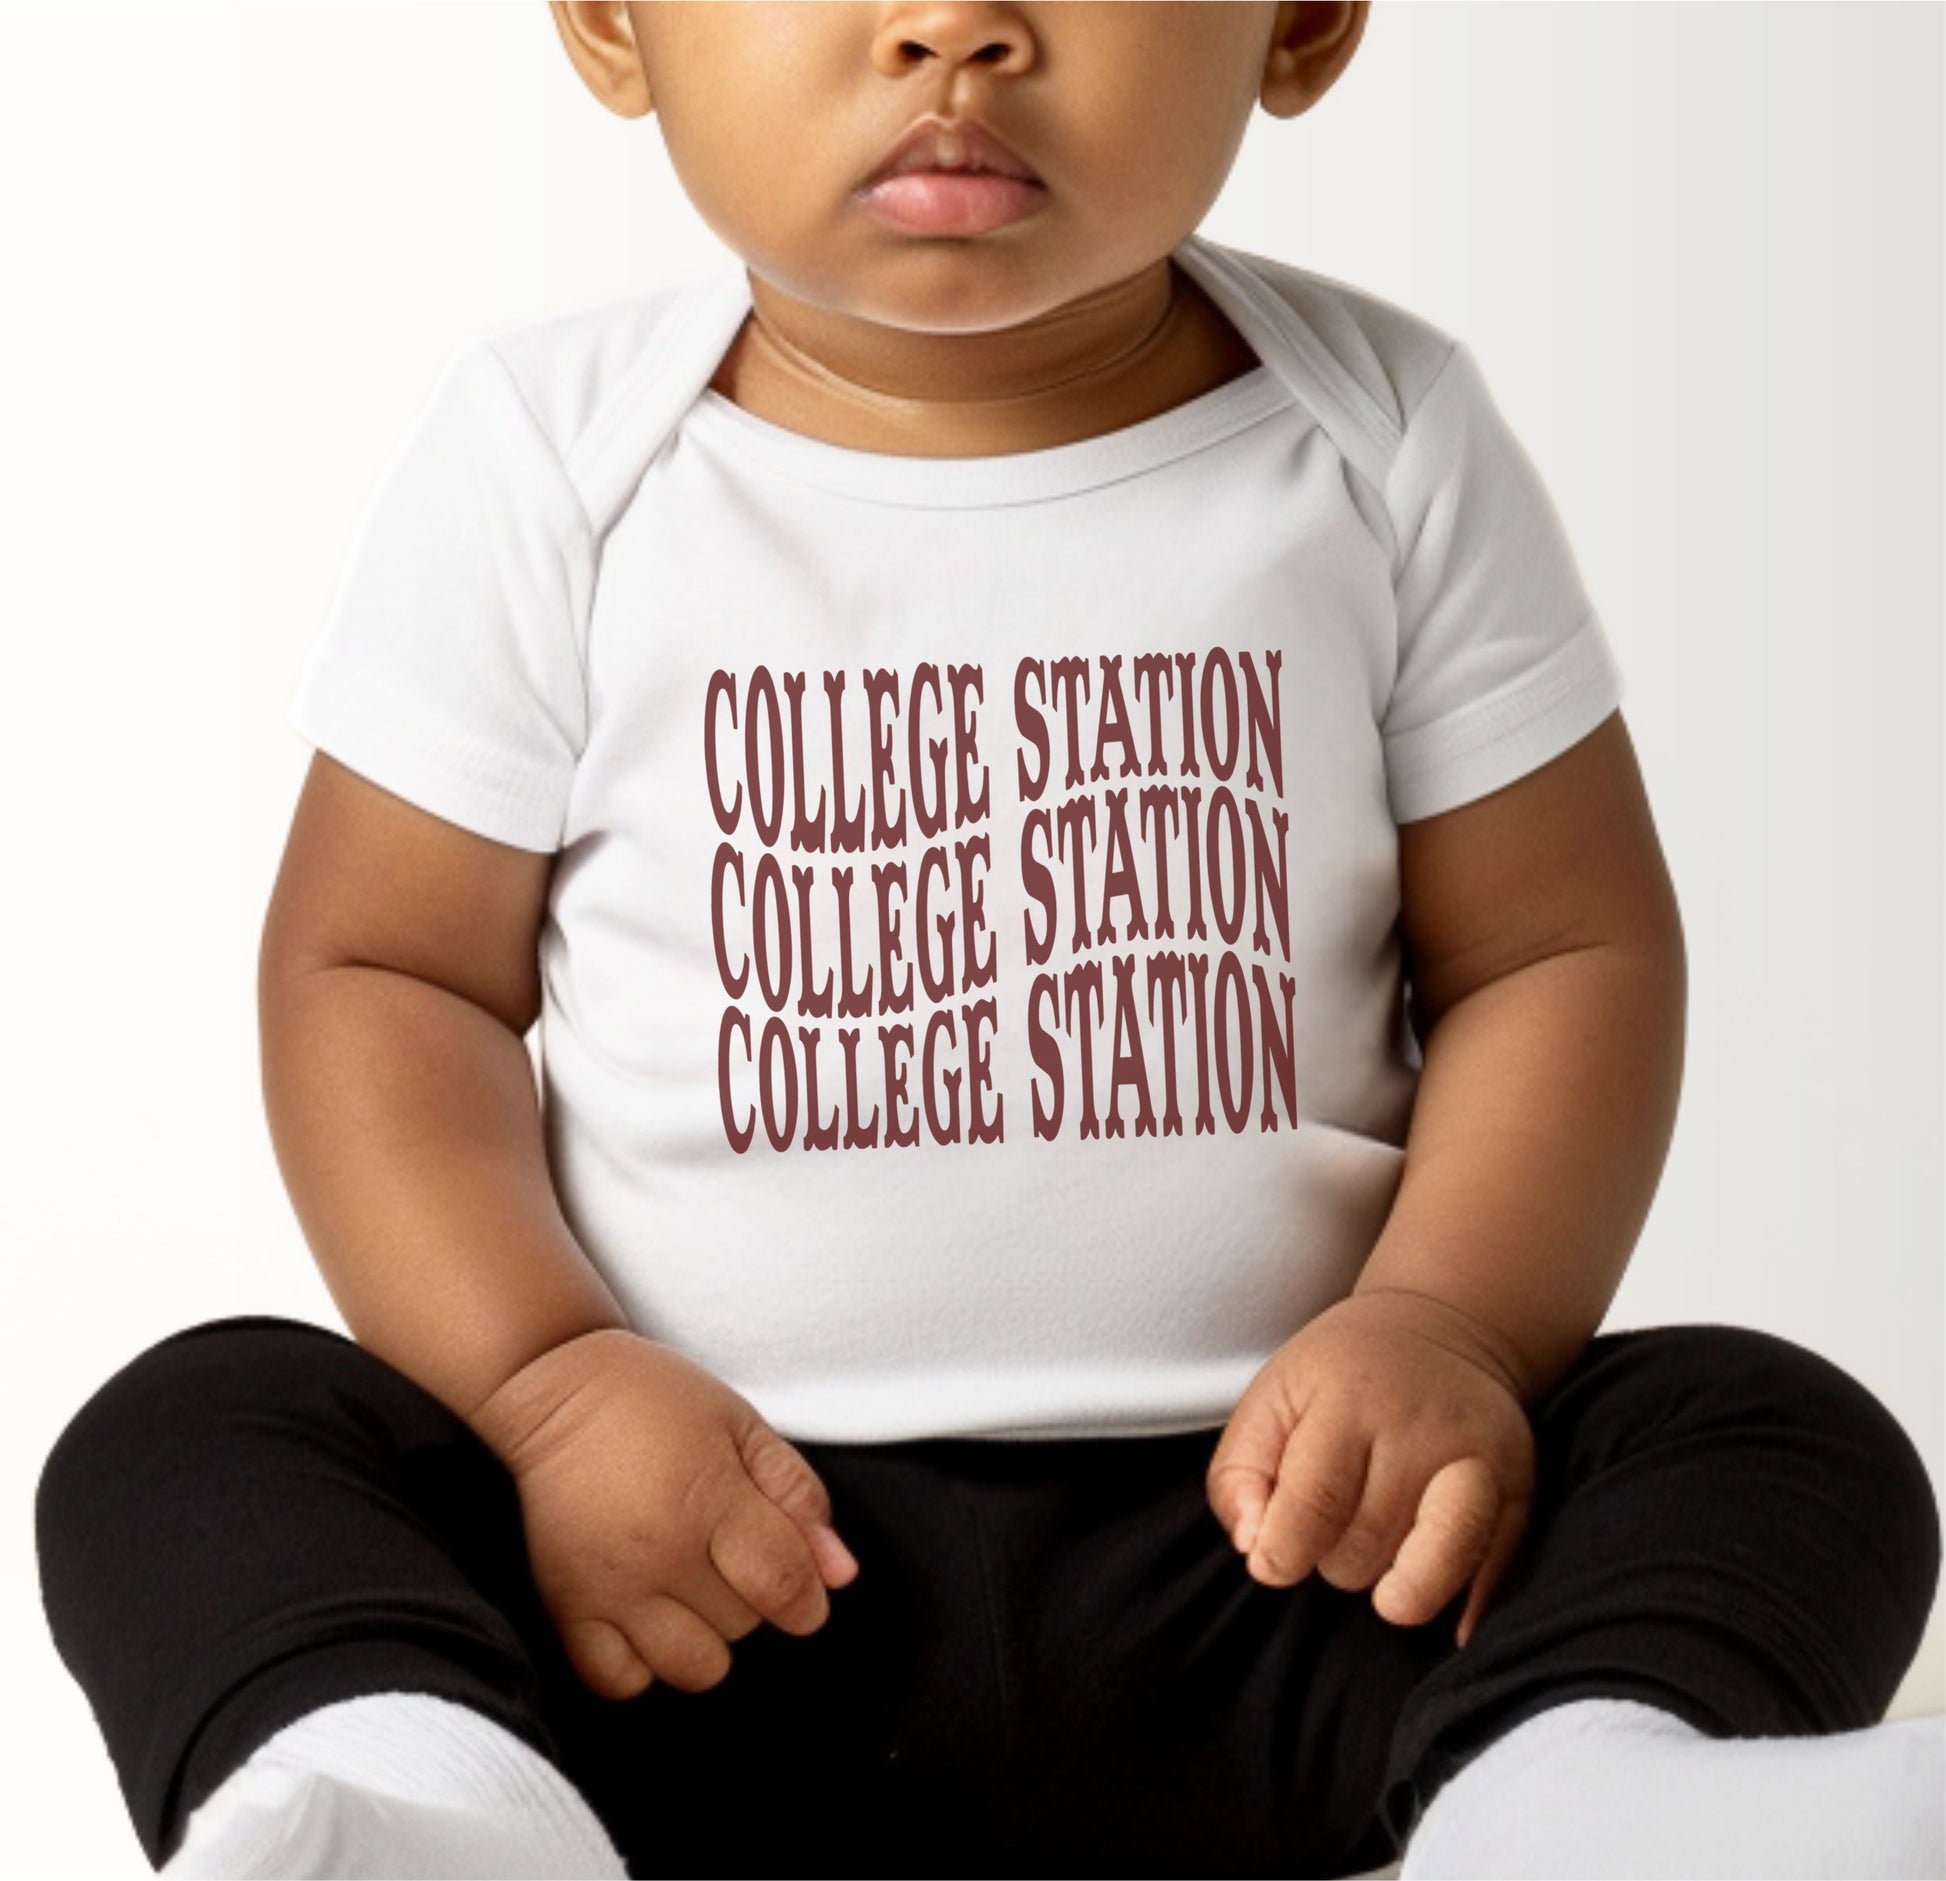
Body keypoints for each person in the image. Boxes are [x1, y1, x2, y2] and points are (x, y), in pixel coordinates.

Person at [35, 5, 1943, 1877]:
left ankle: (1572, 1805)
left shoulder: (1383, 434)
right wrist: (545, 1387)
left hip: (1291, 1569)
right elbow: (386, 973)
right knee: (196, 1427)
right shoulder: (554, 457)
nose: (953, 29)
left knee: (1769, 1429)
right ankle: (438, 1811)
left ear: (1302, 24)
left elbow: (1556, 948)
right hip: (682, 1594)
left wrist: (1439, 1320)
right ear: (613, 26)